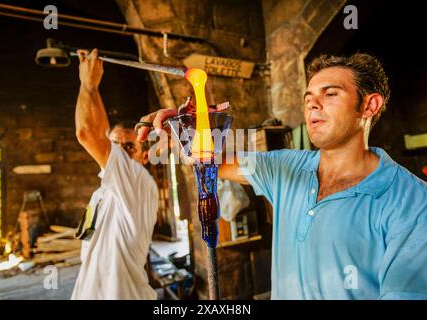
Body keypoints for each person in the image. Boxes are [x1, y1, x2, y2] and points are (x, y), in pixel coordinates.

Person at [137, 53, 427, 299]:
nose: (313, 104)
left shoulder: (413, 203)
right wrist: (186, 126)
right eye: (309, 98)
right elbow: (209, 159)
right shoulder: (286, 167)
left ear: (369, 105)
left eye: (330, 94)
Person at [71, 49, 158, 300]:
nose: (120, 151)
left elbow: (88, 132)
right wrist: (93, 90)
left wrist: (88, 84)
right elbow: (101, 131)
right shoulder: (101, 193)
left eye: (129, 146)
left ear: (144, 156)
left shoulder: (139, 180)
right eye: (115, 145)